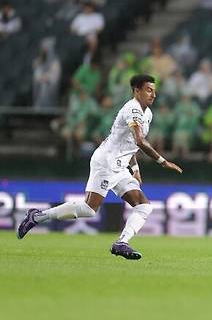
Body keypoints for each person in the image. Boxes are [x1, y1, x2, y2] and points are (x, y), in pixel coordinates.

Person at [17, 75, 183, 260]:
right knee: (89, 209)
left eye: (154, 90)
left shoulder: (148, 114)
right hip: (105, 162)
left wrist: (135, 169)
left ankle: (122, 243)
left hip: (120, 167)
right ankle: (38, 216)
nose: (153, 94)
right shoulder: (132, 108)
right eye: (148, 90)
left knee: (144, 206)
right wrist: (163, 161)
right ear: (136, 91)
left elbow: (131, 145)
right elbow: (140, 140)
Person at [32, 37, 61, 108]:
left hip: (50, 86)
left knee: (44, 87)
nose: (43, 50)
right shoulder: (39, 61)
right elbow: (36, 75)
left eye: (45, 48)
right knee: (39, 84)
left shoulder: (55, 62)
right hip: (39, 84)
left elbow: (54, 77)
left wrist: (44, 77)